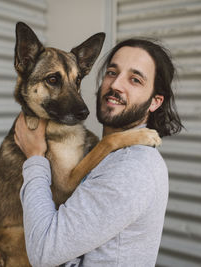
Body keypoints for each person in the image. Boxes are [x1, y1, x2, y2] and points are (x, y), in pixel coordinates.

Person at [14, 38, 183, 267]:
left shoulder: (131, 167)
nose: (116, 85)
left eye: (135, 79)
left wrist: (34, 157)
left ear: (155, 101)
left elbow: (44, 251)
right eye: (112, 73)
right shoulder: (110, 155)